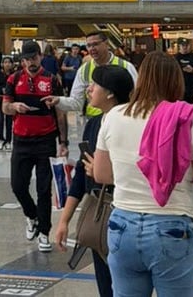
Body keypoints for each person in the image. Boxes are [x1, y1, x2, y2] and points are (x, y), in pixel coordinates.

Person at [93, 51, 193, 296]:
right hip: (171, 225)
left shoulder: (113, 117)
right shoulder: (184, 120)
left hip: (122, 225)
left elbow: (101, 174)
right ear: (176, 81)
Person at [54, 64, 135, 297]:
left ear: (110, 93)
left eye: (95, 84)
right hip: (99, 215)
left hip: (127, 214)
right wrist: (64, 221)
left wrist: (103, 172)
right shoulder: (94, 124)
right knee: (105, 284)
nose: (89, 89)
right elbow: (81, 176)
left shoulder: (133, 125)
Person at [3, 40, 69, 252]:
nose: (31, 62)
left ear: (40, 57)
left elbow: (60, 113)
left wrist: (63, 142)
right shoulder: (14, 79)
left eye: (34, 58)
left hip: (45, 141)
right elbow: (5, 107)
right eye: (27, 59)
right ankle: (32, 216)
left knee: (43, 189)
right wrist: (14, 106)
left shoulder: (51, 80)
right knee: (18, 185)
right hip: (21, 140)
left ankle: (44, 233)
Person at [46, 32, 137, 117]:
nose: (92, 49)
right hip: (93, 120)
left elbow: (138, 96)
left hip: (119, 118)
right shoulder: (84, 70)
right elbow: (77, 102)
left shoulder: (125, 66)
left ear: (106, 44)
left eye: (95, 44)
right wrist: (59, 101)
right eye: (89, 45)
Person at [0, 55, 15, 150]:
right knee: (0, 119)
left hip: (9, 100)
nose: (7, 64)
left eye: (9, 62)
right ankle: (1, 139)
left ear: (12, 64)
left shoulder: (14, 75)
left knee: (9, 120)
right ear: (2, 64)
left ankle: (8, 141)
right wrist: (2, 90)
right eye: (5, 62)